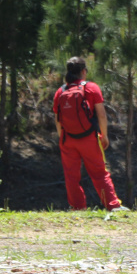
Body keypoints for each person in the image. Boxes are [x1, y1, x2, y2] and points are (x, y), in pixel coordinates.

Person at [52, 57, 127, 211]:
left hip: (68, 139)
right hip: (89, 138)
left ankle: (78, 207)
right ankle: (113, 206)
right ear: (83, 71)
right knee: (99, 172)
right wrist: (104, 135)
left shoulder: (60, 91)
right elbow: (101, 115)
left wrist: (62, 138)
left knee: (71, 176)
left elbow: (58, 119)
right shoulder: (91, 88)